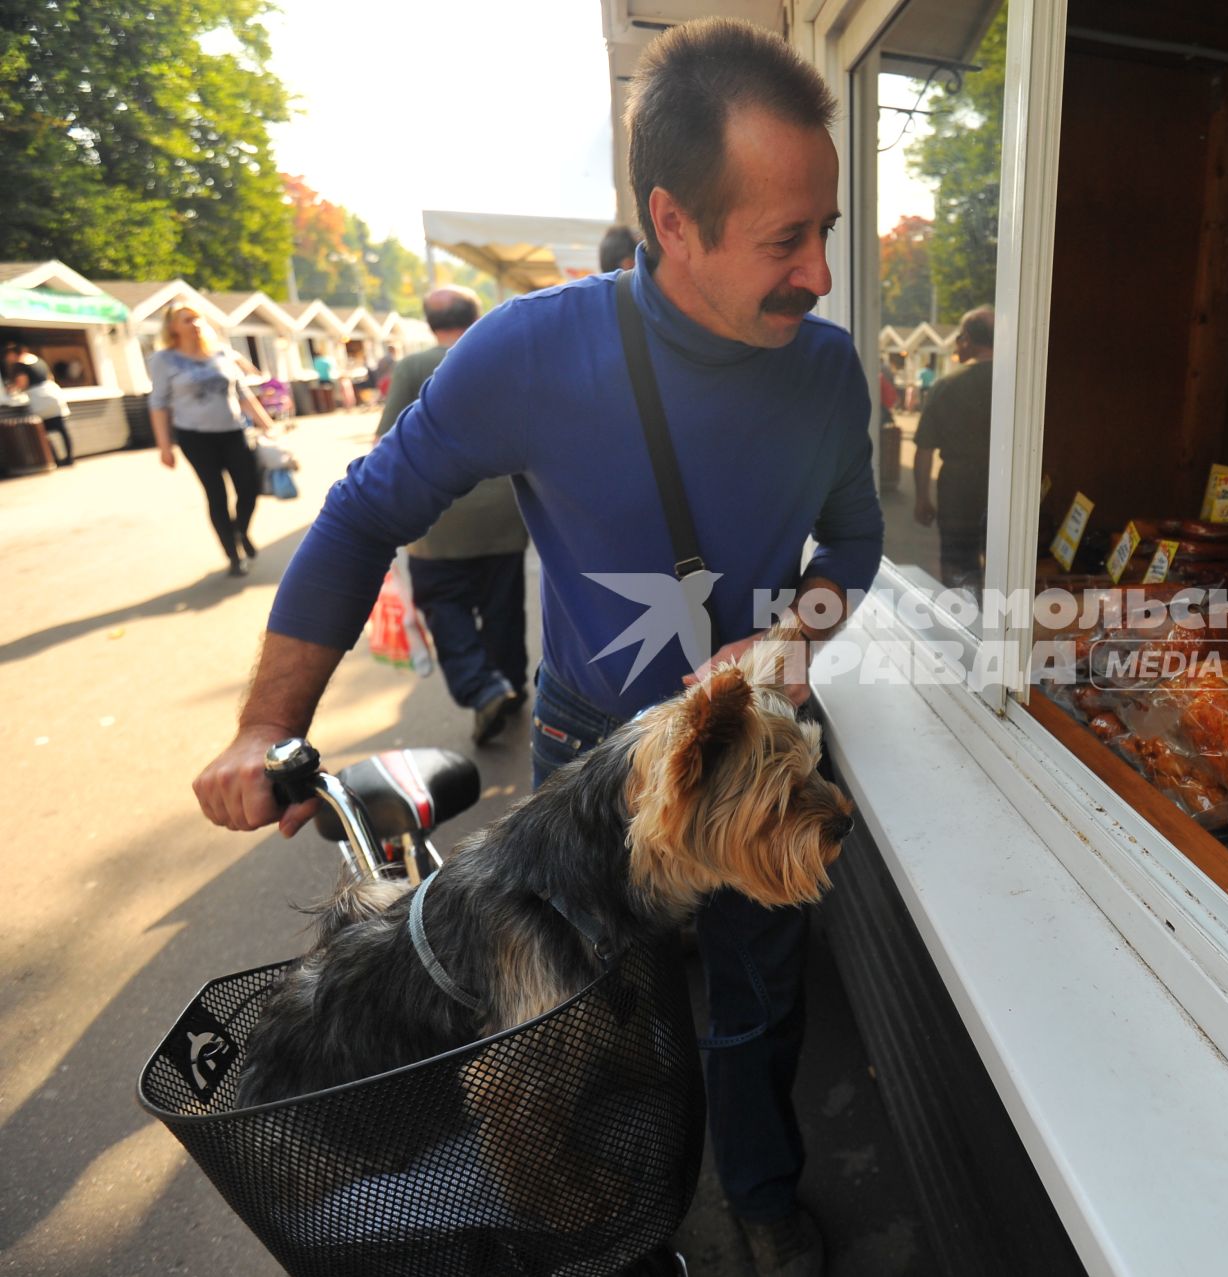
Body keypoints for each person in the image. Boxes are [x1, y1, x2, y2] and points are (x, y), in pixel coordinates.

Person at [190, 19, 880, 1277]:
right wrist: (259, 725)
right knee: (590, 1012)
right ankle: (629, 1196)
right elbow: (360, 516)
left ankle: (763, 1190)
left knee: (758, 1000)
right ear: (674, 223)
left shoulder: (830, 377)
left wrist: (794, 631)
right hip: (582, 769)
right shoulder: (531, 350)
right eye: (789, 238)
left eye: (825, 230)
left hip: (752, 764)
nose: (822, 274)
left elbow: (855, 547)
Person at [374, 287, 530, 745]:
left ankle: (484, 689)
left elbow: (387, 445)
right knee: (503, 607)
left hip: (437, 516)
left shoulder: (413, 367)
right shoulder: (504, 360)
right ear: (477, 315)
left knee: (445, 606)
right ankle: (512, 685)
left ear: (428, 322)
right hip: (506, 509)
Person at [149, 302, 279, 577]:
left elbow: (242, 394)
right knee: (217, 495)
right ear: (172, 327)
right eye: (186, 320)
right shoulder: (164, 360)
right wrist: (164, 447)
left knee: (249, 487)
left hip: (233, 431)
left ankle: (240, 531)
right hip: (195, 437)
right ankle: (233, 555)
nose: (194, 324)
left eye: (197, 319)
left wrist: (267, 425)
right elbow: (159, 403)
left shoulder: (220, 353)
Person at [913, 306, 993, 589]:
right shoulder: (1015, 384)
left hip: (958, 489)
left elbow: (924, 450)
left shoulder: (945, 386)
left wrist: (922, 497)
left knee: (959, 563)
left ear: (967, 338)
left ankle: (965, 621)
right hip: (1004, 486)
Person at [4, 341, 73, 466]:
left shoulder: (20, 365)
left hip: (40, 400)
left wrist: (9, 389)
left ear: (13, 354)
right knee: (61, 429)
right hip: (53, 395)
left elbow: (21, 384)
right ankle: (69, 458)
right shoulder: (38, 360)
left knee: (43, 432)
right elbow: (50, 377)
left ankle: (55, 459)